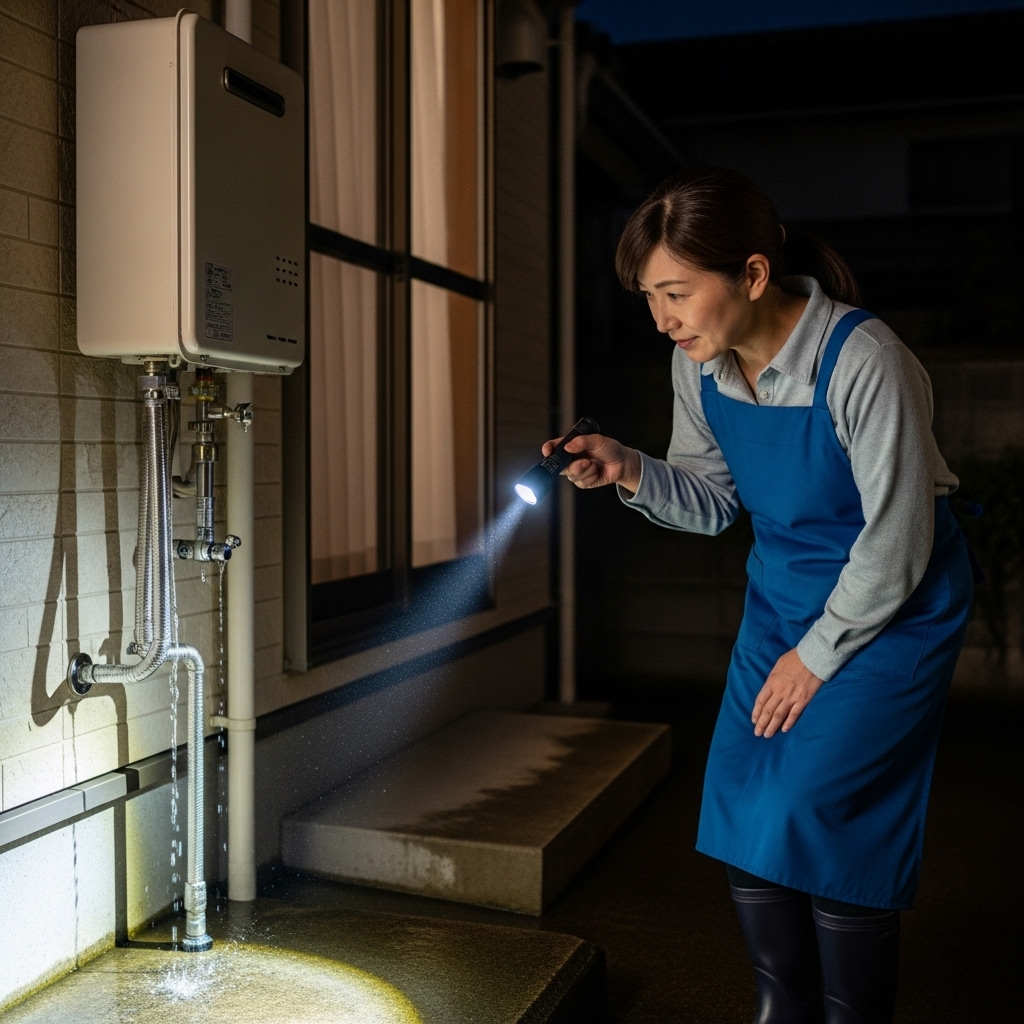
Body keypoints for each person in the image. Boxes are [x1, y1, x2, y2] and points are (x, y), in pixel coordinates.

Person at [544, 167, 974, 1024]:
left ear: (750, 275)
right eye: (648, 297)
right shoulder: (696, 365)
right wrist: (630, 466)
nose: (662, 318)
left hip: (895, 607)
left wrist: (814, 662)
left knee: (821, 810)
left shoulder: (865, 359)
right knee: (743, 802)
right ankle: (781, 1007)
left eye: (676, 292)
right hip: (780, 599)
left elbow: (898, 541)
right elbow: (712, 504)